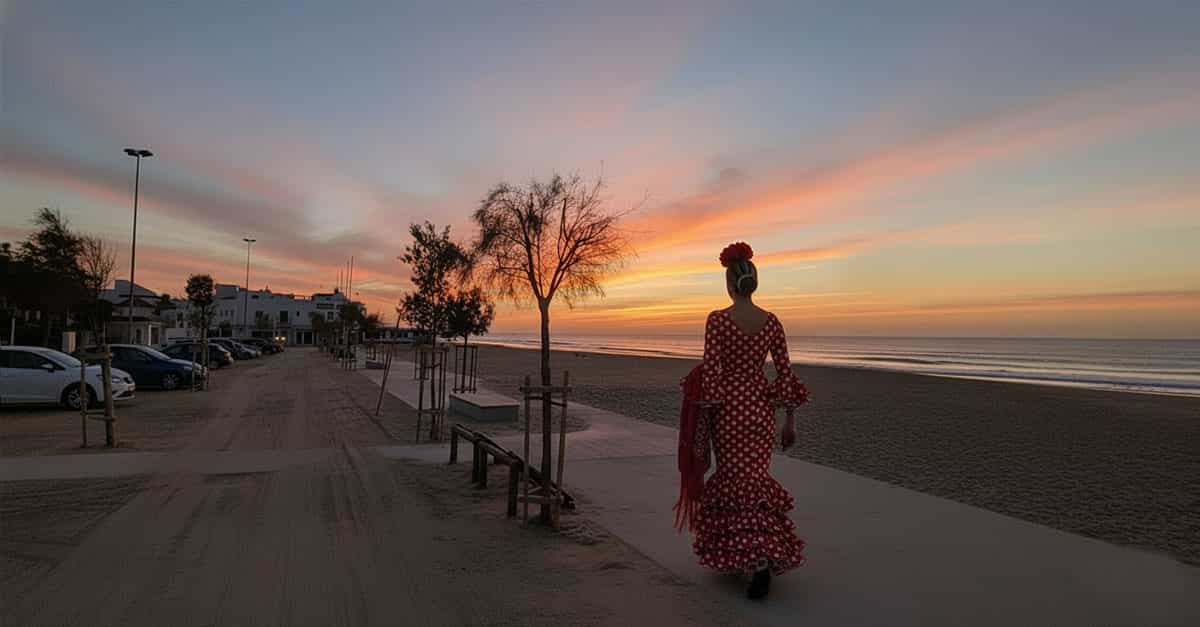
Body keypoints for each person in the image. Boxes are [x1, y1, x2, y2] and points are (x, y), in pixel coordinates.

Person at [679, 241, 810, 600]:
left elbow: (711, 374)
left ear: (730, 284)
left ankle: (749, 559)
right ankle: (761, 556)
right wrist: (790, 422)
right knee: (755, 480)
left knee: (733, 481)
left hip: (729, 411)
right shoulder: (772, 322)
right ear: (754, 281)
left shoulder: (718, 320)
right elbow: (785, 375)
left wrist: (701, 427)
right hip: (760, 410)